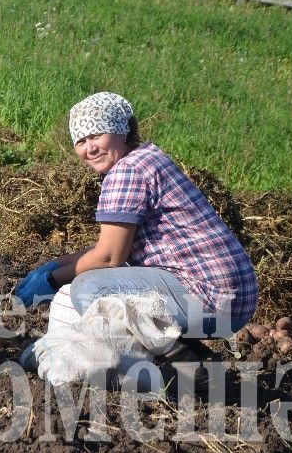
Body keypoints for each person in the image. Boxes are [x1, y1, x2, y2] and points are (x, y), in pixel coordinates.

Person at [15, 92, 258, 344]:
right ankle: (190, 357)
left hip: (210, 299)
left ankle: (177, 358)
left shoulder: (126, 171)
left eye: (97, 135)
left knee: (90, 288)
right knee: (110, 280)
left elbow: (109, 258)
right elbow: (112, 246)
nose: (90, 148)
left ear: (123, 131)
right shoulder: (148, 157)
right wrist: (56, 263)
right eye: (81, 140)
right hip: (234, 297)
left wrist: (51, 280)